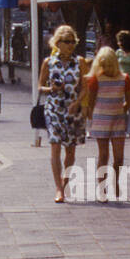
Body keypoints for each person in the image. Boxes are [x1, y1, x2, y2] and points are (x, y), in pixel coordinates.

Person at [38, 25, 91, 203]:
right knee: (55, 146)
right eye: (66, 42)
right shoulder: (49, 62)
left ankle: (65, 182)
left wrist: (77, 102)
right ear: (57, 43)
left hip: (73, 110)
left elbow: (86, 87)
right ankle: (58, 189)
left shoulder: (80, 62)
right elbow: (40, 87)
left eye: (72, 42)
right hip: (54, 108)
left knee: (70, 151)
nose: (70, 45)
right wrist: (51, 88)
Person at [84, 46, 130, 200]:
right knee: (103, 155)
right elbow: (91, 101)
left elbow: (129, 100)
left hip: (117, 120)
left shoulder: (124, 78)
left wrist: (121, 109)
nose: (105, 68)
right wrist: (93, 116)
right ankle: (102, 188)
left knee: (119, 157)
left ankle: (116, 181)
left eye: (108, 64)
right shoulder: (95, 79)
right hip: (101, 120)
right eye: (102, 64)